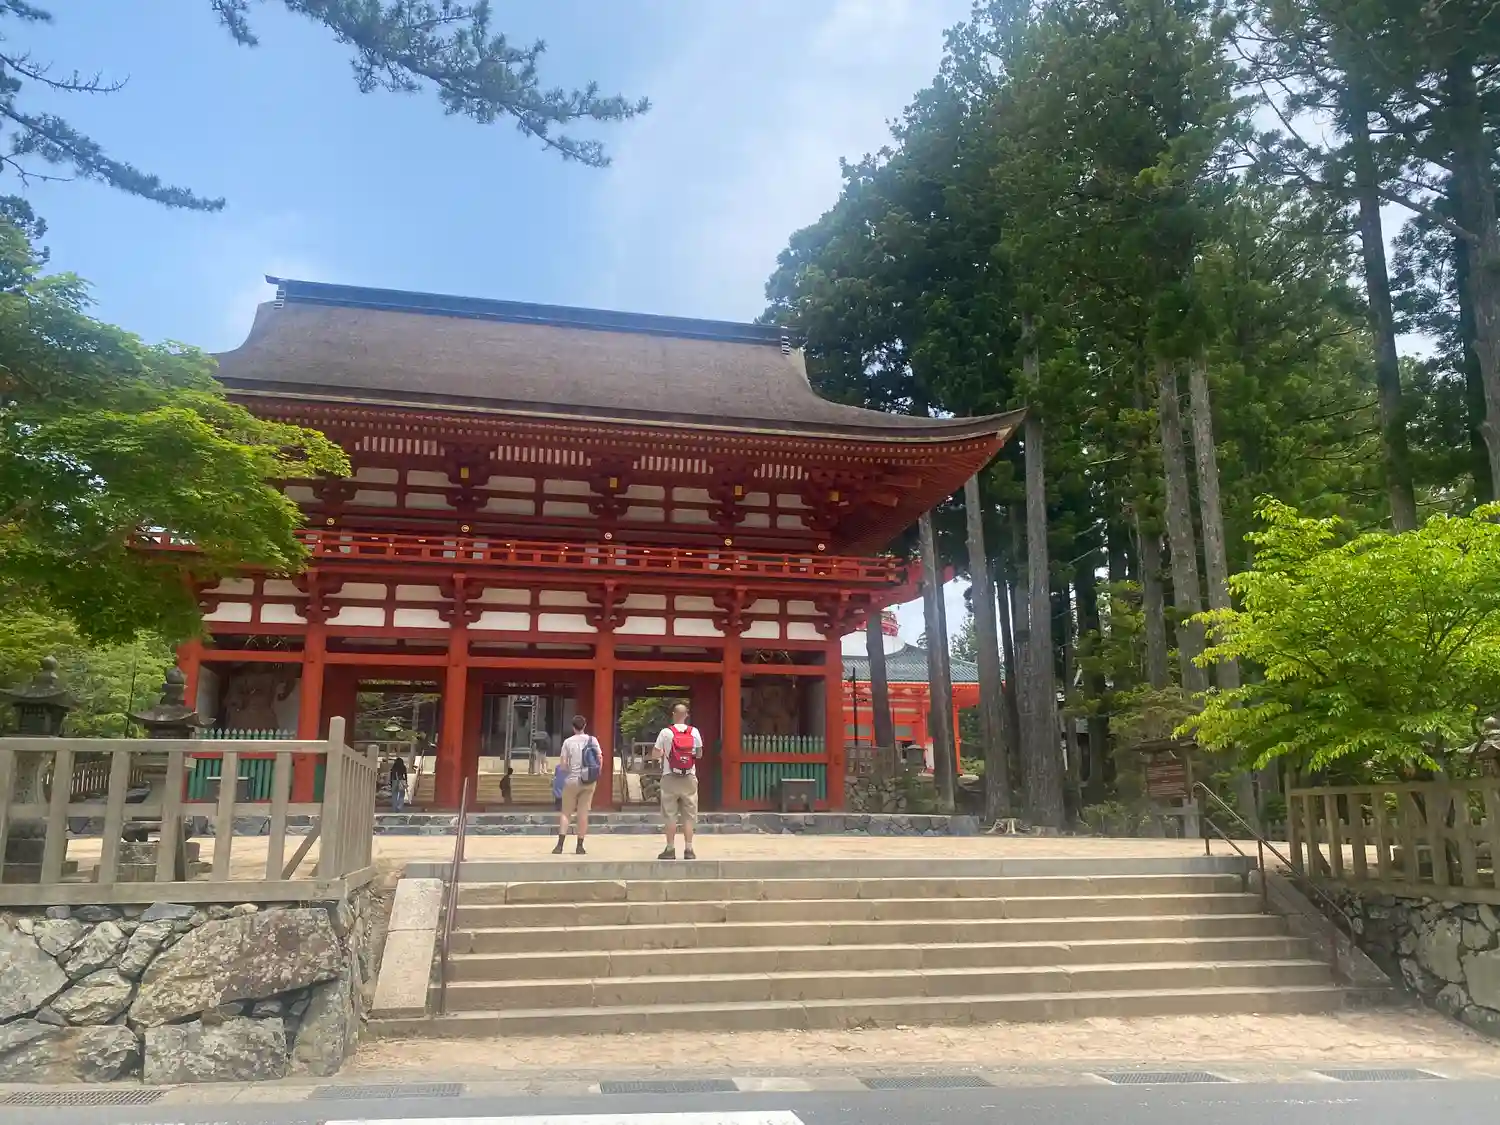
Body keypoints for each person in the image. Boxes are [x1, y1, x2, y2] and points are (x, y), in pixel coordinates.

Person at [652, 701, 702, 860]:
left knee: (670, 814)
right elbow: (699, 754)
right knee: (689, 815)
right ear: (686, 715)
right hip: (689, 777)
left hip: (669, 777)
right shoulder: (694, 732)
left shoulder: (665, 733)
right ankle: (689, 849)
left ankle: (670, 848)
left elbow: (655, 753)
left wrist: (664, 754)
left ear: (673, 714)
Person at [553, 715, 602, 855]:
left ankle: (560, 845)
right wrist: (595, 774)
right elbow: (600, 758)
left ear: (573, 727)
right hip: (588, 780)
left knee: (566, 813)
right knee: (583, 814)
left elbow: (563, 765)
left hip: (572, 780)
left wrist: (569, 769)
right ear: (584, 725)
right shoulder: (593, 740)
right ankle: (580, 846)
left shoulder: (568, 742)